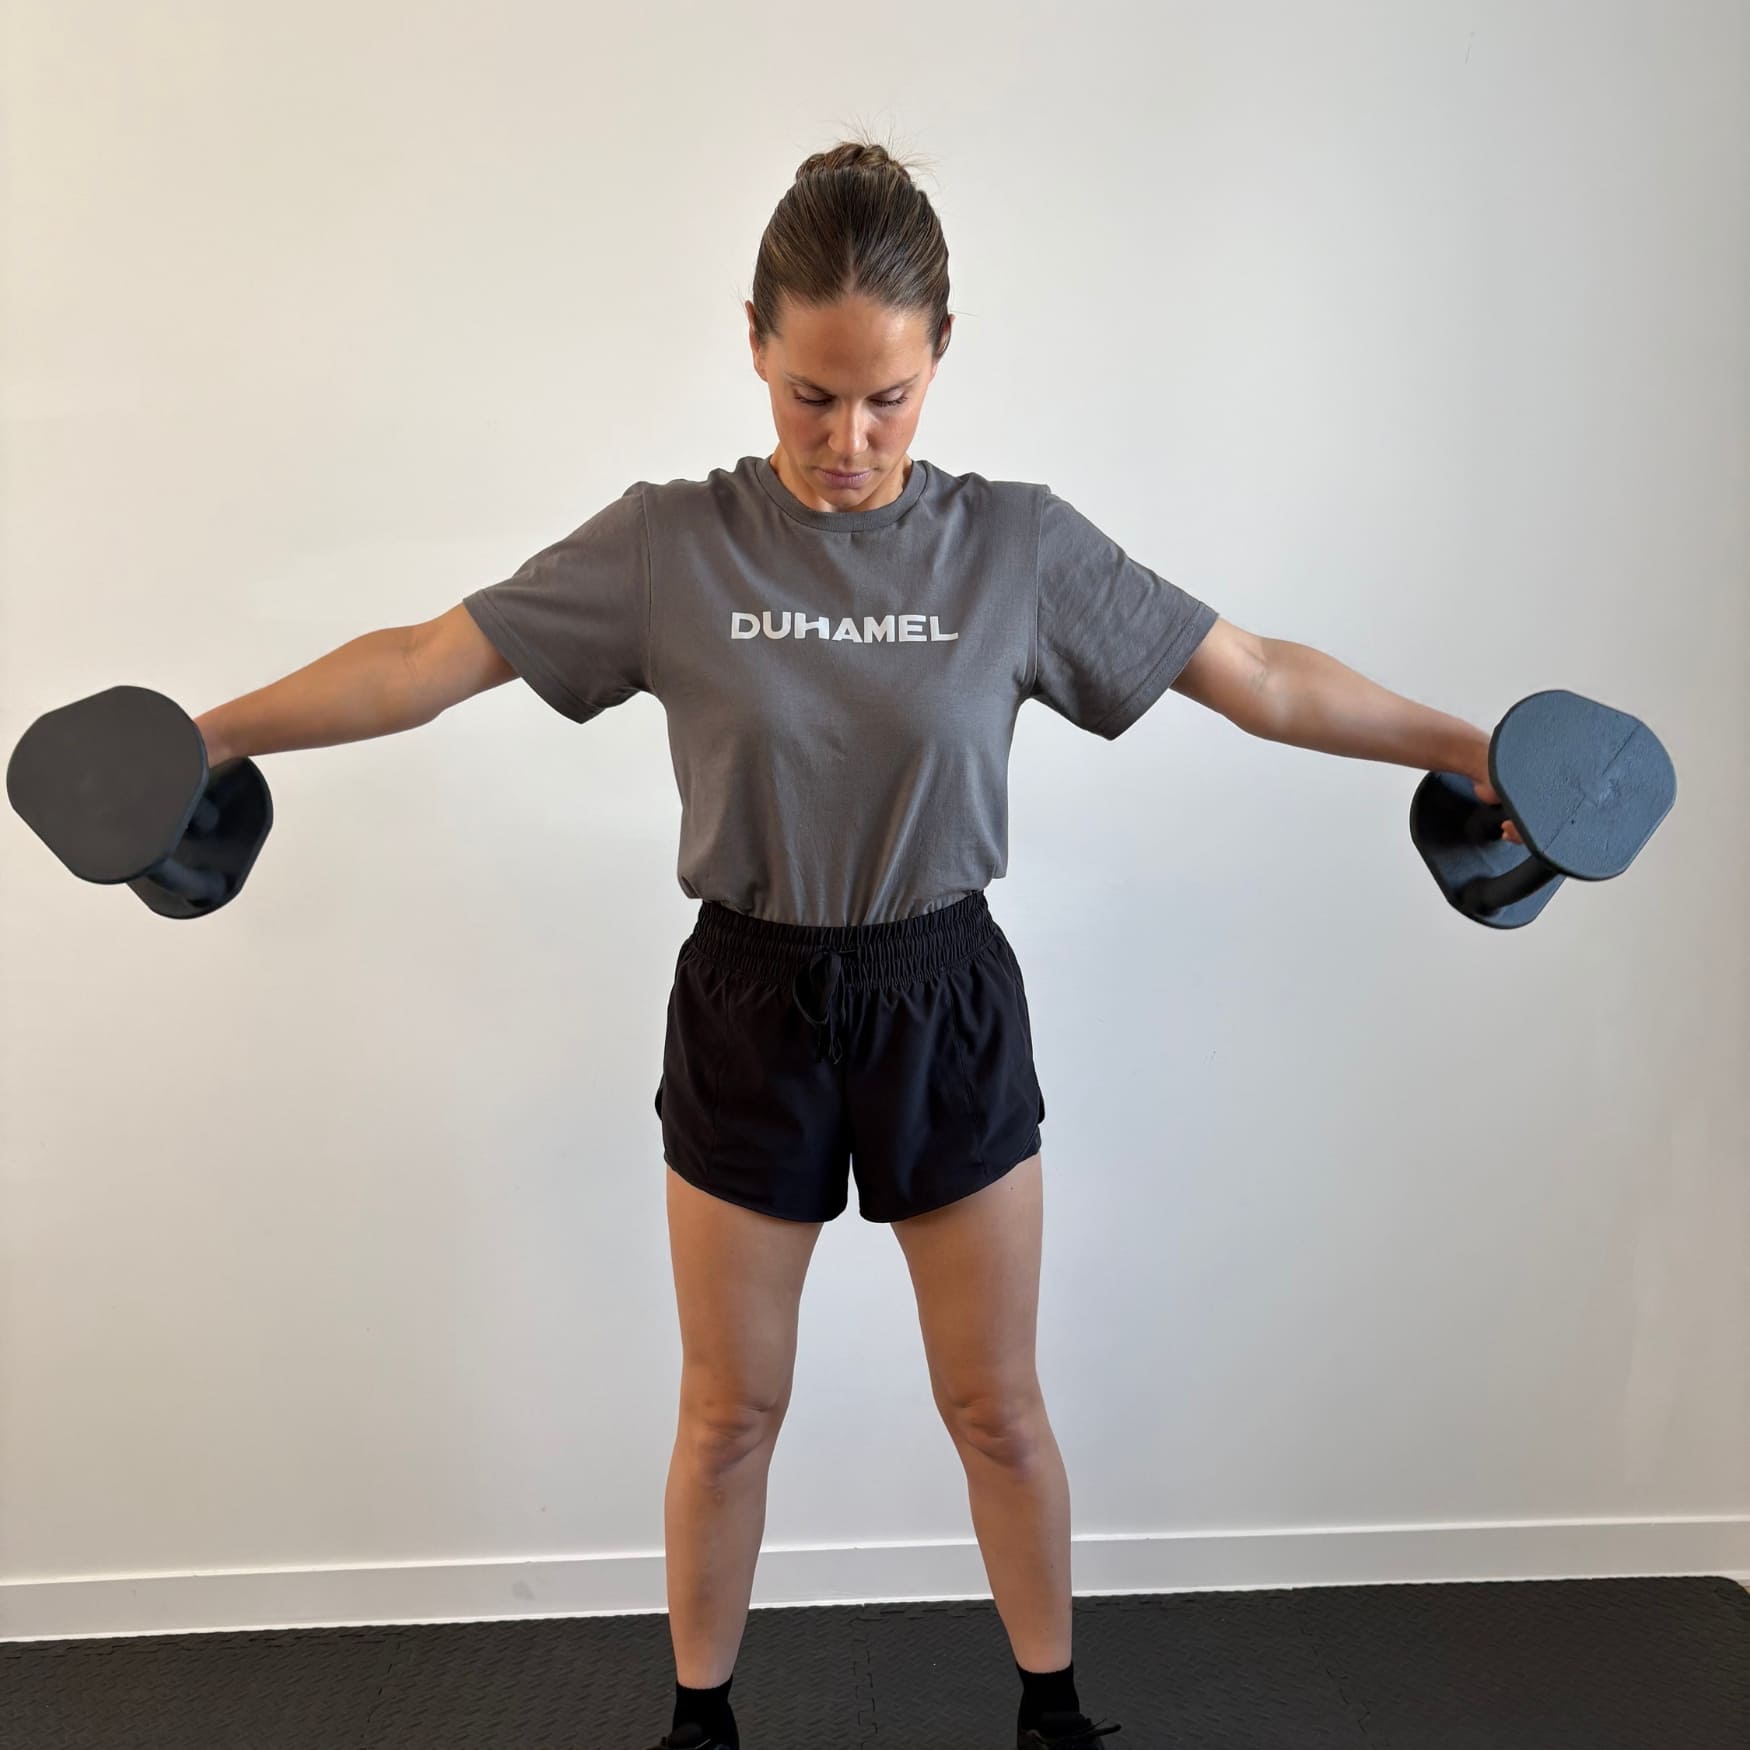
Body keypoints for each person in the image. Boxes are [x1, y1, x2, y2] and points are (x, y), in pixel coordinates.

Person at [191, 137, 1518, 1750]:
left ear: (938, 357)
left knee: (996, 1409)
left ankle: (1052, 1715)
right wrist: (201, 736)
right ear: (753, 341)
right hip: (746, 997)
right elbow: (418, 660)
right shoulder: (667, 544)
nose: (847, 439)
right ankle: (698, 1723)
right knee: (730, 1410)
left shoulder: (1015, 546)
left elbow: (1257, 675)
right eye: (811, 394)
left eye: (886, 396)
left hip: (942, 994)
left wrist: (1475, 751)